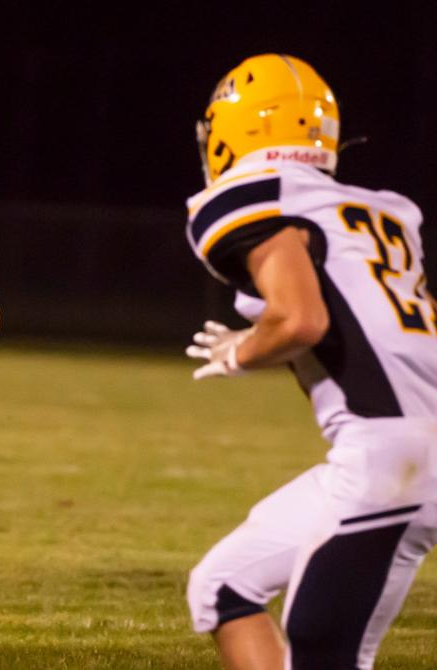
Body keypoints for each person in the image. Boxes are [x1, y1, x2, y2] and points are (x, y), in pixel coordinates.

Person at [184, 54, 437, 669]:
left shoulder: (251, 197)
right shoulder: (383, 211)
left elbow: (301, 319)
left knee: (326, 651)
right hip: (398, 449)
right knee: (223, 586)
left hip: (390, 458)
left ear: (234, 131)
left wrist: (240, 351)